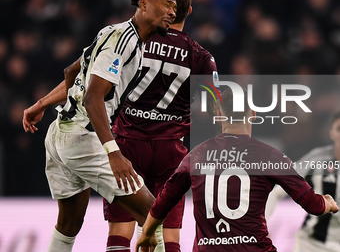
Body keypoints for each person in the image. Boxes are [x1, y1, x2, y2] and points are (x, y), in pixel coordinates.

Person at [22, 0, 176, 251]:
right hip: (84, 139)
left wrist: (41, 103)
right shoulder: (125, 41)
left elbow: (73, 72)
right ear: (144, 3)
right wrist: (113, 152)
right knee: (152, 214)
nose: (172, 11)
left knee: (68, 224)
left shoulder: (112, 32)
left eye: (175, 7)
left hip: (60, 133)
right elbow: (93, 97)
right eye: (167, 3)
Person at [135, 87, 339, 252]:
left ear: (218, 115)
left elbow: (165, 199)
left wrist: (148, 231)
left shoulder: (197, 155)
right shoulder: (268, 155)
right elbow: (312, 205)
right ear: (253, 114)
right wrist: (327, 203)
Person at [103, 0, 218, 251]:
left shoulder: (137, 39)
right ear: (188, 10)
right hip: (171, 150)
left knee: (121, 228)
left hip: (128, 145)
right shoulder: (202, 56)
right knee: (169, 232)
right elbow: (215, 108)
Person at [266, 110, 340, 252]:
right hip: (313, 245)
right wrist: (262, 226)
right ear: (331, 133)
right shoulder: (318, 160)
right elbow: (277, 192)